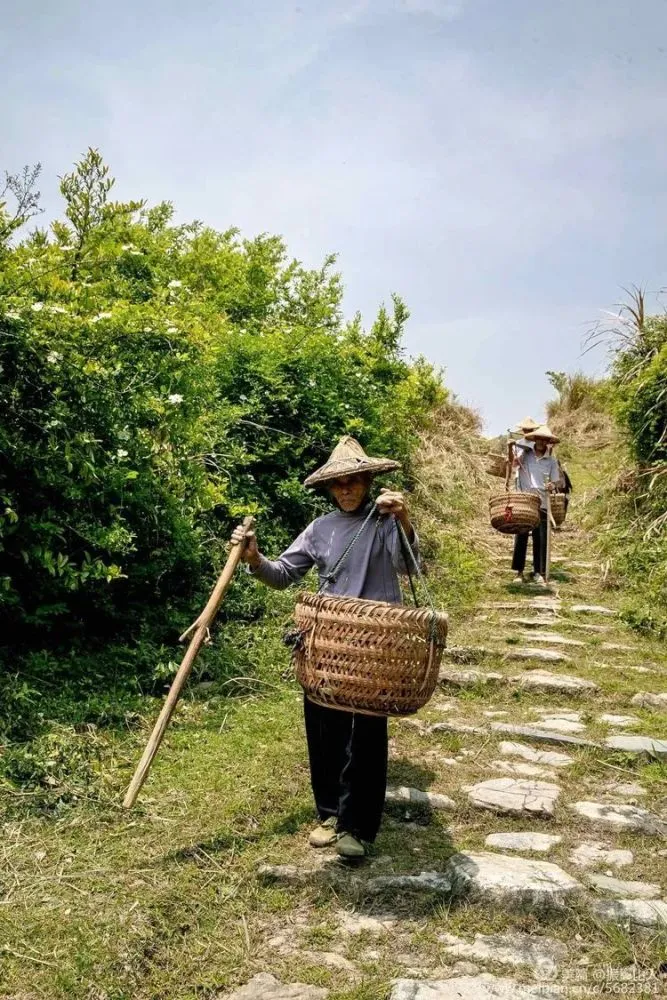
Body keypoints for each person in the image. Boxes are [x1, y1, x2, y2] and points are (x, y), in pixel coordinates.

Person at [230, 436, 419, 859]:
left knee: (366, 730)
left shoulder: (385, 521)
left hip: (374, 642)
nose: (347, 489)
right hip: (328, 641)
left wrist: (404, 520)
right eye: (339, 484)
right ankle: (331, 812)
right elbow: (282, 575)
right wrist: (255, 559)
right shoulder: (320, 529)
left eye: (354, 481)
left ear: (368, 480)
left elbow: (408, 566)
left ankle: (358, 826)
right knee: (324, 724)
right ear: (330, 489)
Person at [511, 424, 562, 586]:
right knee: (521, 535)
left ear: (547, 442)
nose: (541, 442)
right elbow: (514, 464)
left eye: (544, 439)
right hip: (525, 501)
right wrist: (511, 448)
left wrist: (552, 486)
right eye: (538, 438)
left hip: (542, 503)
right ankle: (519, 572)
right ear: (535, 439)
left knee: (541, 538)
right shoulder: (526, 454)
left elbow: (557, 481)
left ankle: (538, 572)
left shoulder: (552, 461)